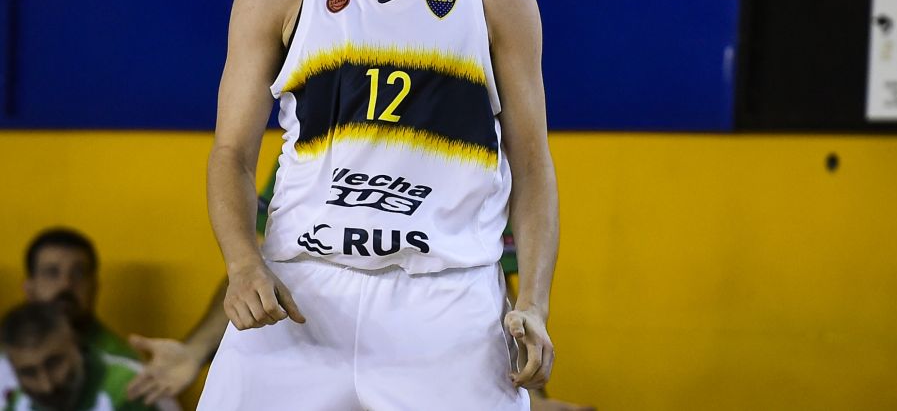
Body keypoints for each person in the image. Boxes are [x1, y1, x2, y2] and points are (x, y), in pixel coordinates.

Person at [196, 0, 559, 410]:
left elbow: (532, 163)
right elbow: (230, 154)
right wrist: (243, 263)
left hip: (446, 302)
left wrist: (532, 302)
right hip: (302, 289)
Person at [128, 175, 593, 410]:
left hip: (431, 343)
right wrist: (194, 351)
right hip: (312, 340)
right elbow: (260, 273)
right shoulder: (317, 128)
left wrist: (530, 389)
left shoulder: (478, 137)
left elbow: (496, 288)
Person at [0, 228, 140, 400]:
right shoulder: (5, 354)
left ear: (94, 287)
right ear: (29, 288)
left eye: (78, 273)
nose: (65, 284)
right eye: (51, 273)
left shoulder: (125, 370)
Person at [0, 302, 178, 411]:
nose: (47, 385)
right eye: (28, 373)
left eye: (54, 363)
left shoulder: (130, 387)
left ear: (75, 342)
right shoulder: (19, 402)